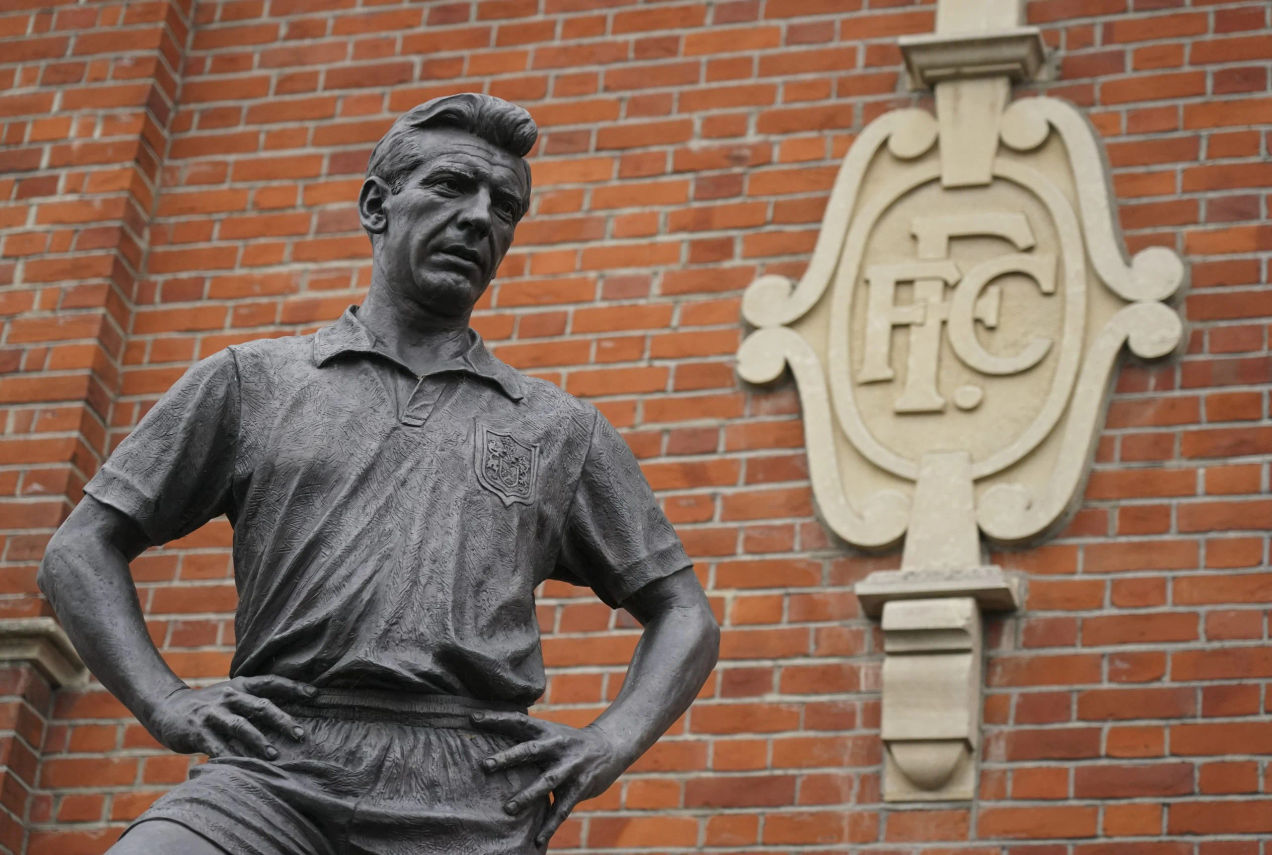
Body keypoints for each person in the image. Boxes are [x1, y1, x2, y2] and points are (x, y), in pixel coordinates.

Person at [38, 93, 719, 855]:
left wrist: (610, 741)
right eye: (450, 185)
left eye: (504, 206)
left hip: (473, 790)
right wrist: (165, 700)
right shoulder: (255, 381)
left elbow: (683, 611)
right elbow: (79, 549)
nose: (479, 217)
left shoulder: (558, 428)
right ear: (375, 205)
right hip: (273, 767)